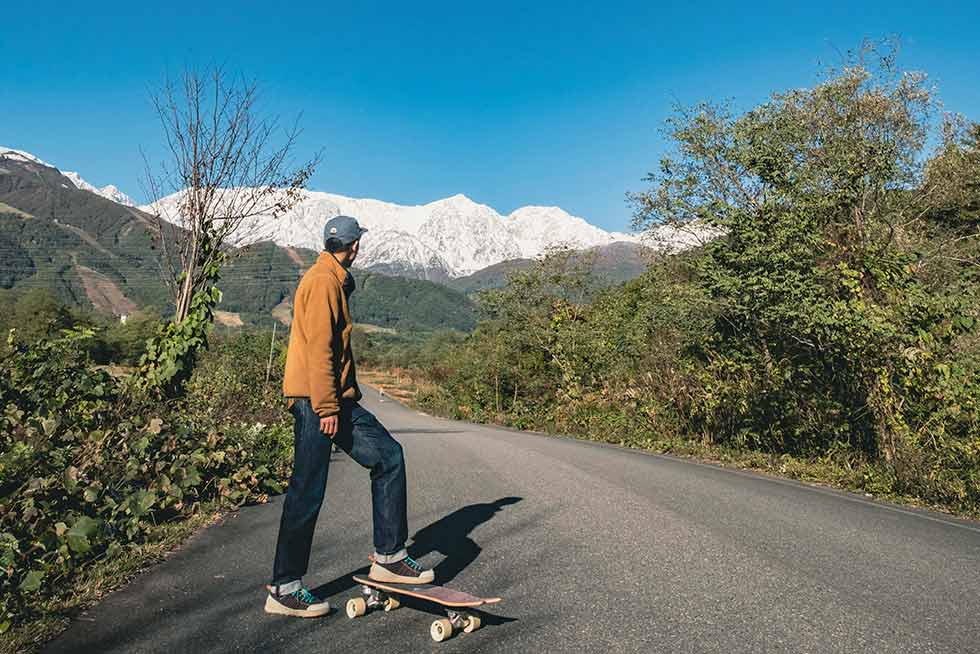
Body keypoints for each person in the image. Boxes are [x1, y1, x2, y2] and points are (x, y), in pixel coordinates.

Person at [264, 215, 434, 618]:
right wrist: (325, 407)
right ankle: (284, 587)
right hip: (317, 400)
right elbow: (321, 350)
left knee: (388, 456)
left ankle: (390, 557)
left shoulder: (331, 278)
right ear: (354, 245)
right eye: (359, 243)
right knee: (307, 488)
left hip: (335, 399)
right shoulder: (323, 282)